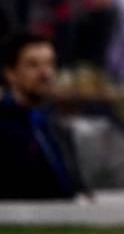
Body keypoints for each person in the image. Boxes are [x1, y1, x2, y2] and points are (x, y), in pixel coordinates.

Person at [0, 29, 87, 200]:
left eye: (49, 64)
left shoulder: (53, 125)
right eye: (33, 65)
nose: (45, 74)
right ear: (11, 74)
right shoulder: (5, 128)